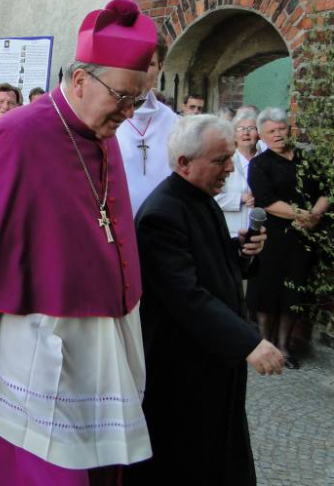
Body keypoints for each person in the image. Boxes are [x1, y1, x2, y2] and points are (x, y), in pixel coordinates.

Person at [0, 0, 155, 483]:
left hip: (97, 334)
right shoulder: (20, 135)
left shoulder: (101, 135)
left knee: (94, 459)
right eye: (122, 97)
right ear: (81, 80)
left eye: (137, 100)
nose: (128, 111)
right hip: (33, 341)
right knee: (32, 464)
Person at [126, 114, 283, 486]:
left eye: (230, 158)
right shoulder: (161, 214)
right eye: (220, 161)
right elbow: (187, 296)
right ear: (184, 163)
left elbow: (206, 261)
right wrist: (249, 341)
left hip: (211, 362)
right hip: (183, 370)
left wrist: (241, 252)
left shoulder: (199, 196)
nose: (230, 168)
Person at [246, 107, 329, 369]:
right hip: (273, 237)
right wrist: (300, 213)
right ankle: (265, 343)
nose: (278, 134)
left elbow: (325, 189)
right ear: (262, 135)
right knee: (268, 290)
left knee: (294, 290)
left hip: (302, 238)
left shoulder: (306, 159)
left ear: (289, 129)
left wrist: (315, 214)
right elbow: (266, 200)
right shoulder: (260, 164)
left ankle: (285, 346)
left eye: (282, 129)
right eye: (272, 131)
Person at [116, 29, 178, 215]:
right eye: (136, 64)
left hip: (163, 224)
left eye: (149, 64)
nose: (141, 72)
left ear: (160, 67)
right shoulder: (107, 117)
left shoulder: (174, 123)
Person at [214, 110, 259, 237]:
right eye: (240, 129)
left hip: (262, 235)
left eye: (251, 128)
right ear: (233, 135)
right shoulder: (224, 162)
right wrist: (240, 198)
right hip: (231, 233)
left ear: (259, 133)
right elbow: (212, 198)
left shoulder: (266, 162)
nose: (246, 133)